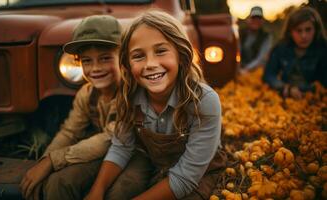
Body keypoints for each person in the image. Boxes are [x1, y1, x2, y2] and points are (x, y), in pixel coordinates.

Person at [85, 10, 227, 200]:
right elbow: (122, 146)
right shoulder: (129, 95)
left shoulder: (203, 101)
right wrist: (97, 190)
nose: (150, 64)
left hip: (196, 173)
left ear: (181, 54)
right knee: (116, 193)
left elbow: (185, 177)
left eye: (160, 51)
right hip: (154, 163)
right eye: (138, 56)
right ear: (127, 63)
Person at [20, 15, 122, 200]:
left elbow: (111, 137)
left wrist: (53, 161)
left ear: (123, 57)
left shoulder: (130, 94)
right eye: (87, 61)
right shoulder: (87, 93)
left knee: (120, 192)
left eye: (105, 58)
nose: (95, 68)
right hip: (99, 153)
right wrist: (44, 160)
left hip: (127, 156)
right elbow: (70, 132)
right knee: (57, 184)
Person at [263, 6, 327, 99]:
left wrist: (306, 90)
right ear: (290, 32)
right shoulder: (281, 48)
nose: (304, 35)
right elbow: (268, 74)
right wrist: (285, 88)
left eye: (308, 29)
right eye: (298, 30)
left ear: (316, 30)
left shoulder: (323, 50)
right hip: (286, 98)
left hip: (314, 100)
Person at [239, 6, 273, 73]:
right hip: (239, 69)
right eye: (253, 18)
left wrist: (247, 69)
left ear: (262, 21)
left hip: (256, 70)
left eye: (259, 18)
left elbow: (262, 58)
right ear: (248, 19)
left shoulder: (266, 37)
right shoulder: (240, 33)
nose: (256, 21)